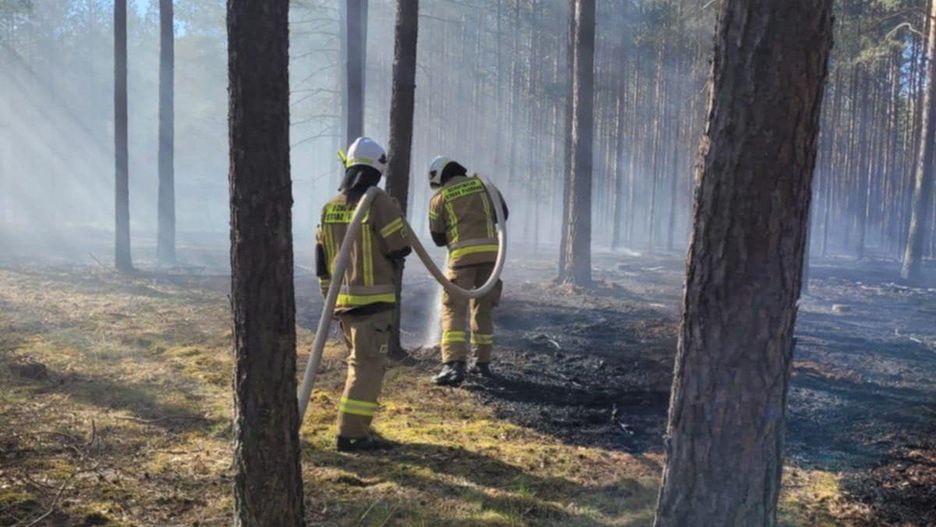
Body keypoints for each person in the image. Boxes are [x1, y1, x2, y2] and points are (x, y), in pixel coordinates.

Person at [315, 137, 411, 452]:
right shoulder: (378, 202)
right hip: (374, 304)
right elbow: (400, 247)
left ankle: (357, 427)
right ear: (377, 170)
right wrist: (395, 215)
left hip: (344, 304)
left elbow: (320, 260)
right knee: (367, 369)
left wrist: (329, 299)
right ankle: (352, 435)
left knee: (359, 366)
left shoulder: (329, 207)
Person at [427, 156, 507, 386]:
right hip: (492, 257)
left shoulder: (439, 198)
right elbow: (502, 214)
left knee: (454, 309)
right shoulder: (485, 185)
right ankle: (482, 363)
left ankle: (454, 365)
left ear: (440, 176)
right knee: (483, 309)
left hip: (462, 259)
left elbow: (437, 238)